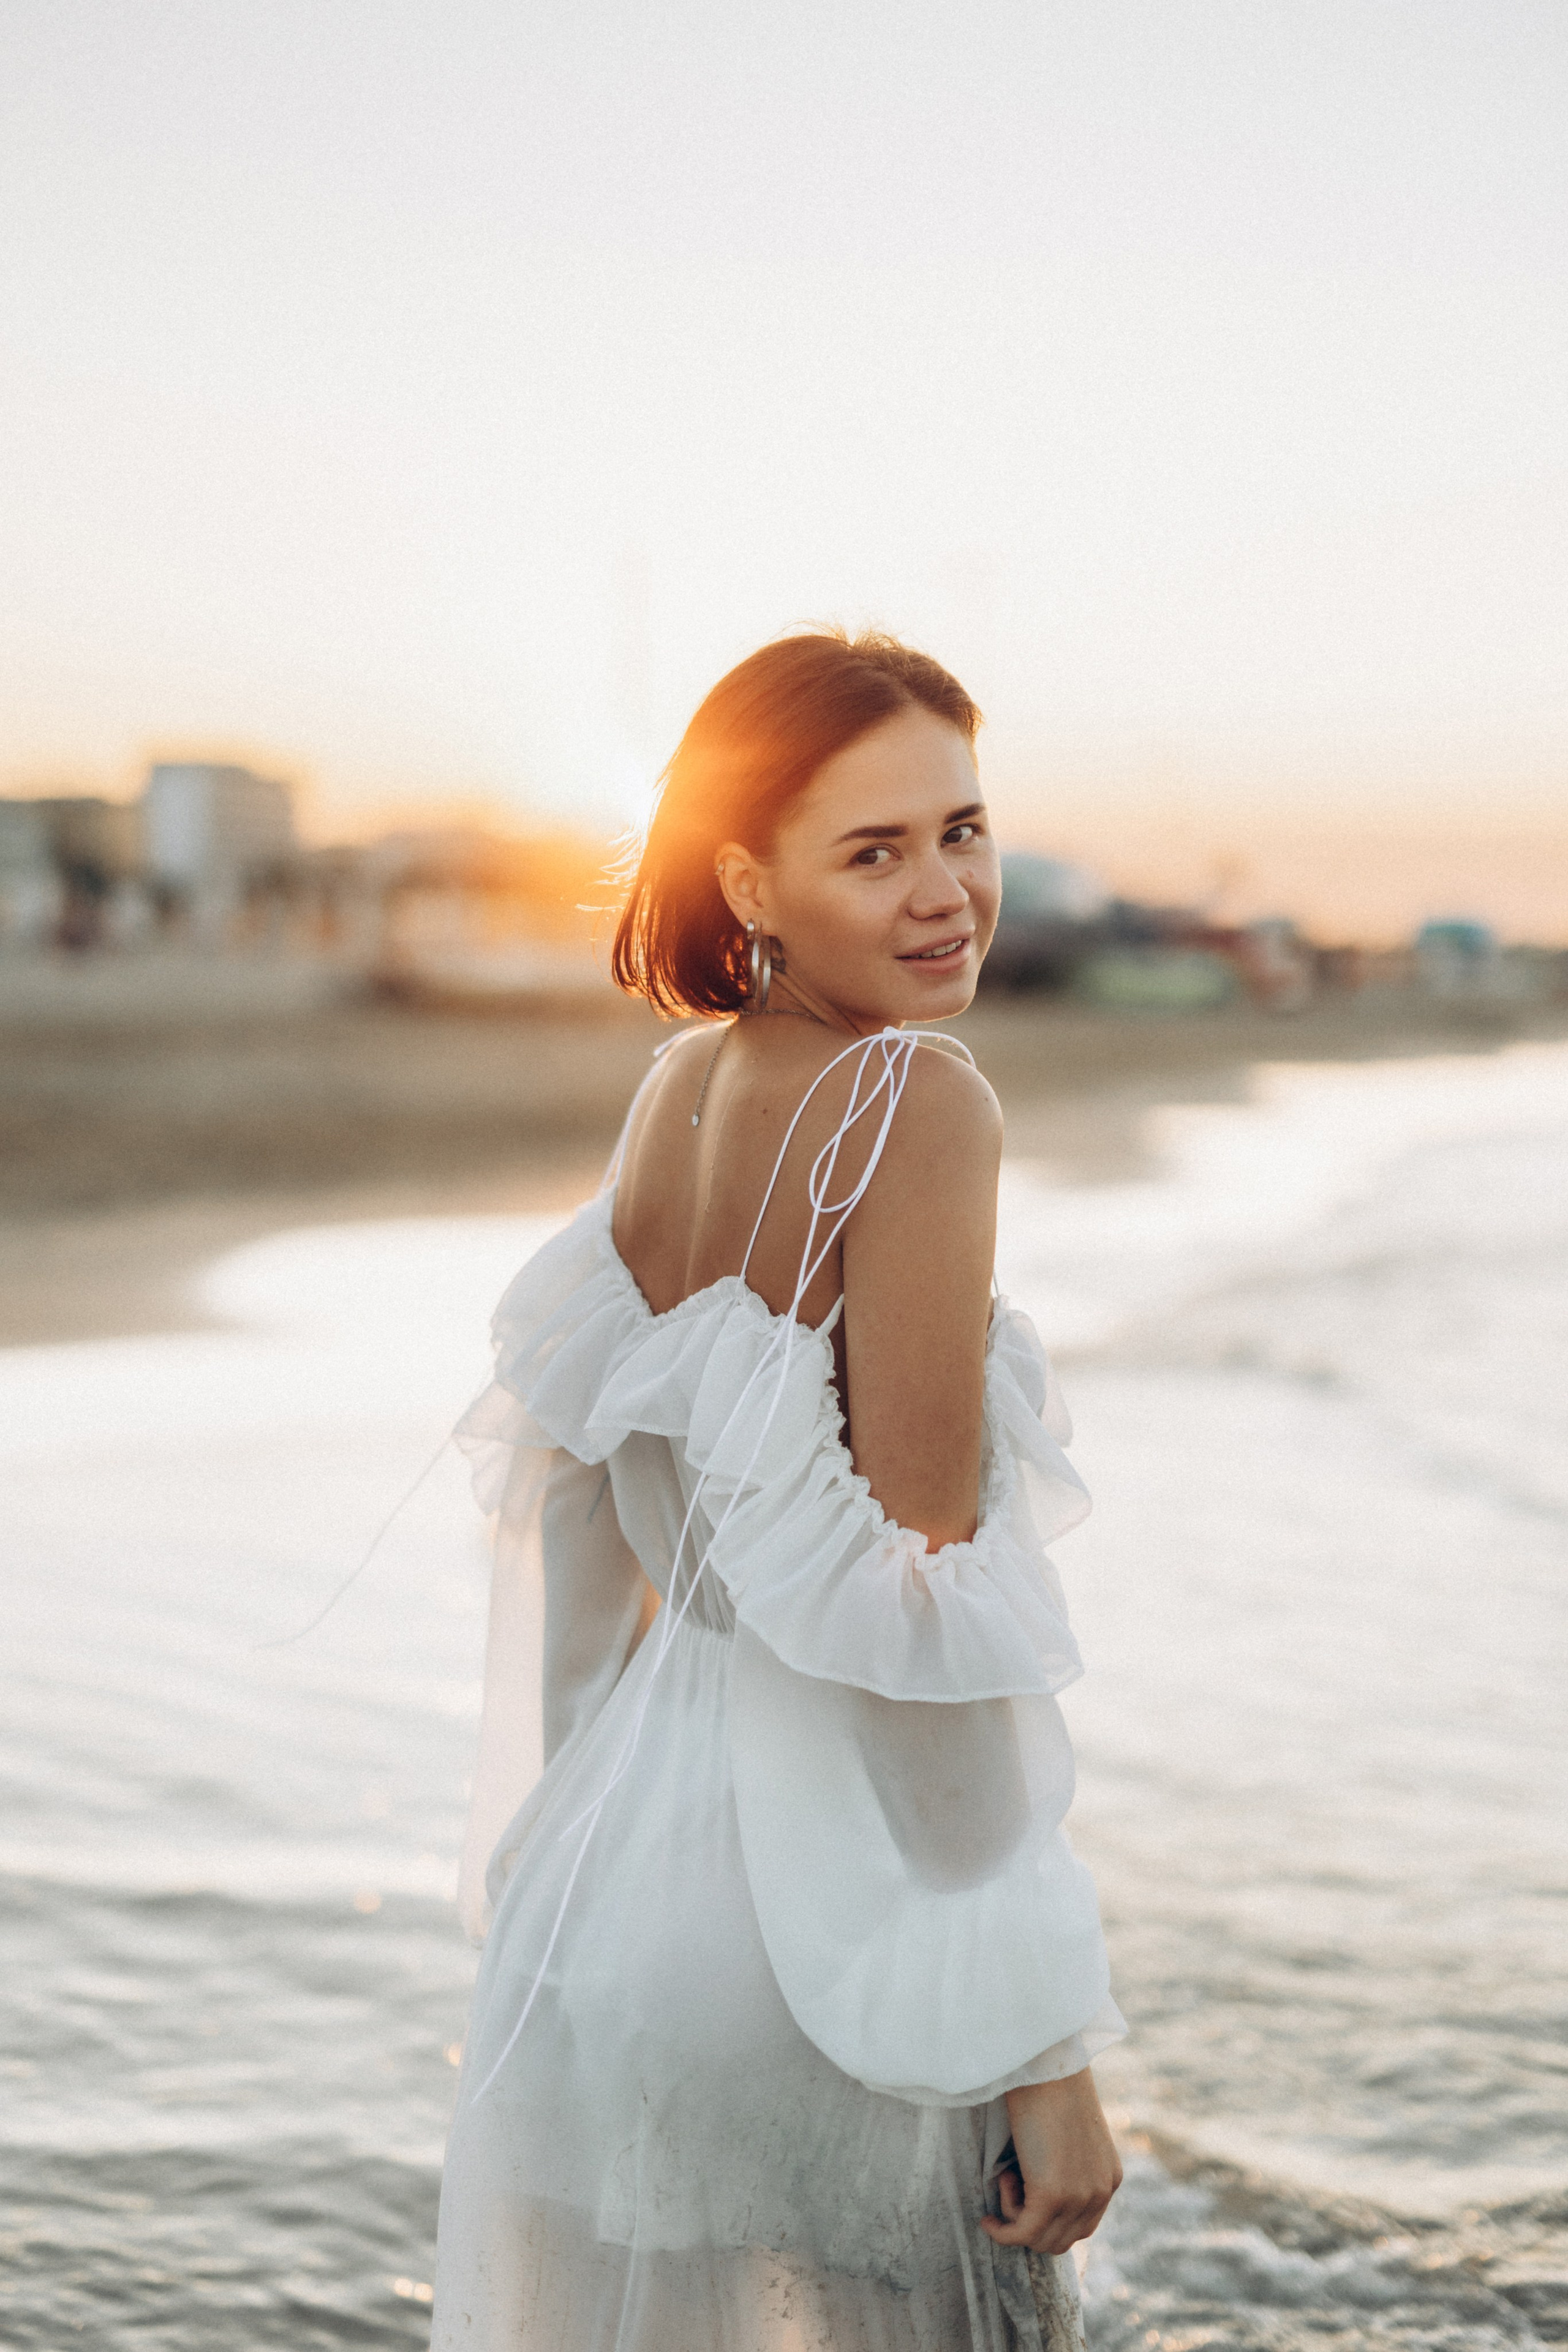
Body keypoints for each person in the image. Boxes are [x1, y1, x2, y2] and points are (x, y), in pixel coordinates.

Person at [432, 630, 1125, 2351]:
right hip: (823, 1939)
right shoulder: (916, 1099)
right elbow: (924, 1620)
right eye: (873, 852)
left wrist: (567, 1844)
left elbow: (584, 1524)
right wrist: (1043, 2051)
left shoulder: (684, 1082)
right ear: (750, 880)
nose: (945, 893)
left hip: (612, 1895)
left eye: (962, 829)